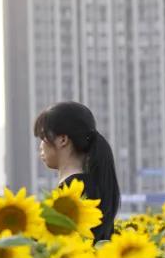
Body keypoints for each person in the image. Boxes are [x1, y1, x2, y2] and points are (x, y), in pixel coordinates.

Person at [34, 101, 121, 242]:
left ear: (62, 140)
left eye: (43, 138)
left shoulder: (72, 194)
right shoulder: (91, 184)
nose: (40, 146)